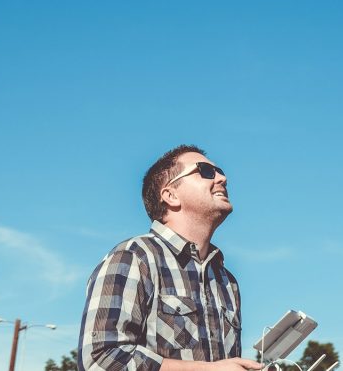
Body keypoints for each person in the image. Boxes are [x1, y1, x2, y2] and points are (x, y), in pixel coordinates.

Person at [79, 145, 262, 371]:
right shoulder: (134, 257)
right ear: (170, 195)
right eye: (206, 171)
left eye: (220, 171)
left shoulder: (227, 280)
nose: (223, 178)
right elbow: (101, 359)